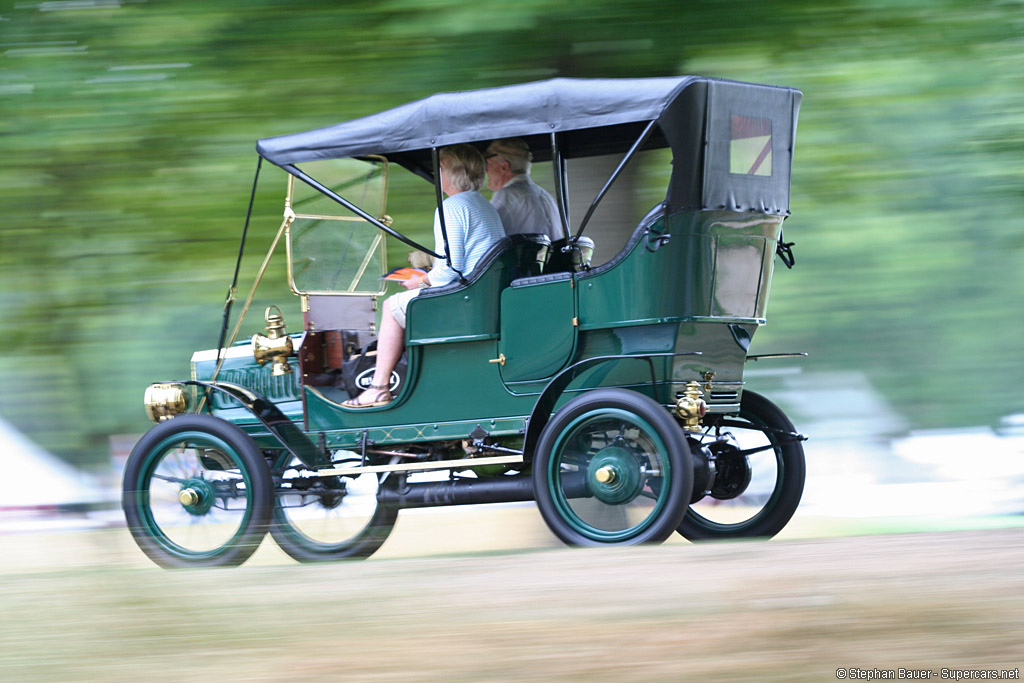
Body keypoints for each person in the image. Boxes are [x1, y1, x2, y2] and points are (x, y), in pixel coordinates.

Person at [343, 143, 505, 409]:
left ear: (454, 172)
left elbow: (449, 270)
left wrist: (421, 280)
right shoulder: (484, 205)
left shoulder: (451, 208)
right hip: (481, 291)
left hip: (464, 298)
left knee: (392, 306)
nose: (436, 173)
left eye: (440, 168)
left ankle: (378, 387)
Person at [485, 138, 564, 241]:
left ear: (504, 167)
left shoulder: (506, 196)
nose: (486, 170)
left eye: (489, 165)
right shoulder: (546, 196)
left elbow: (488, 239)